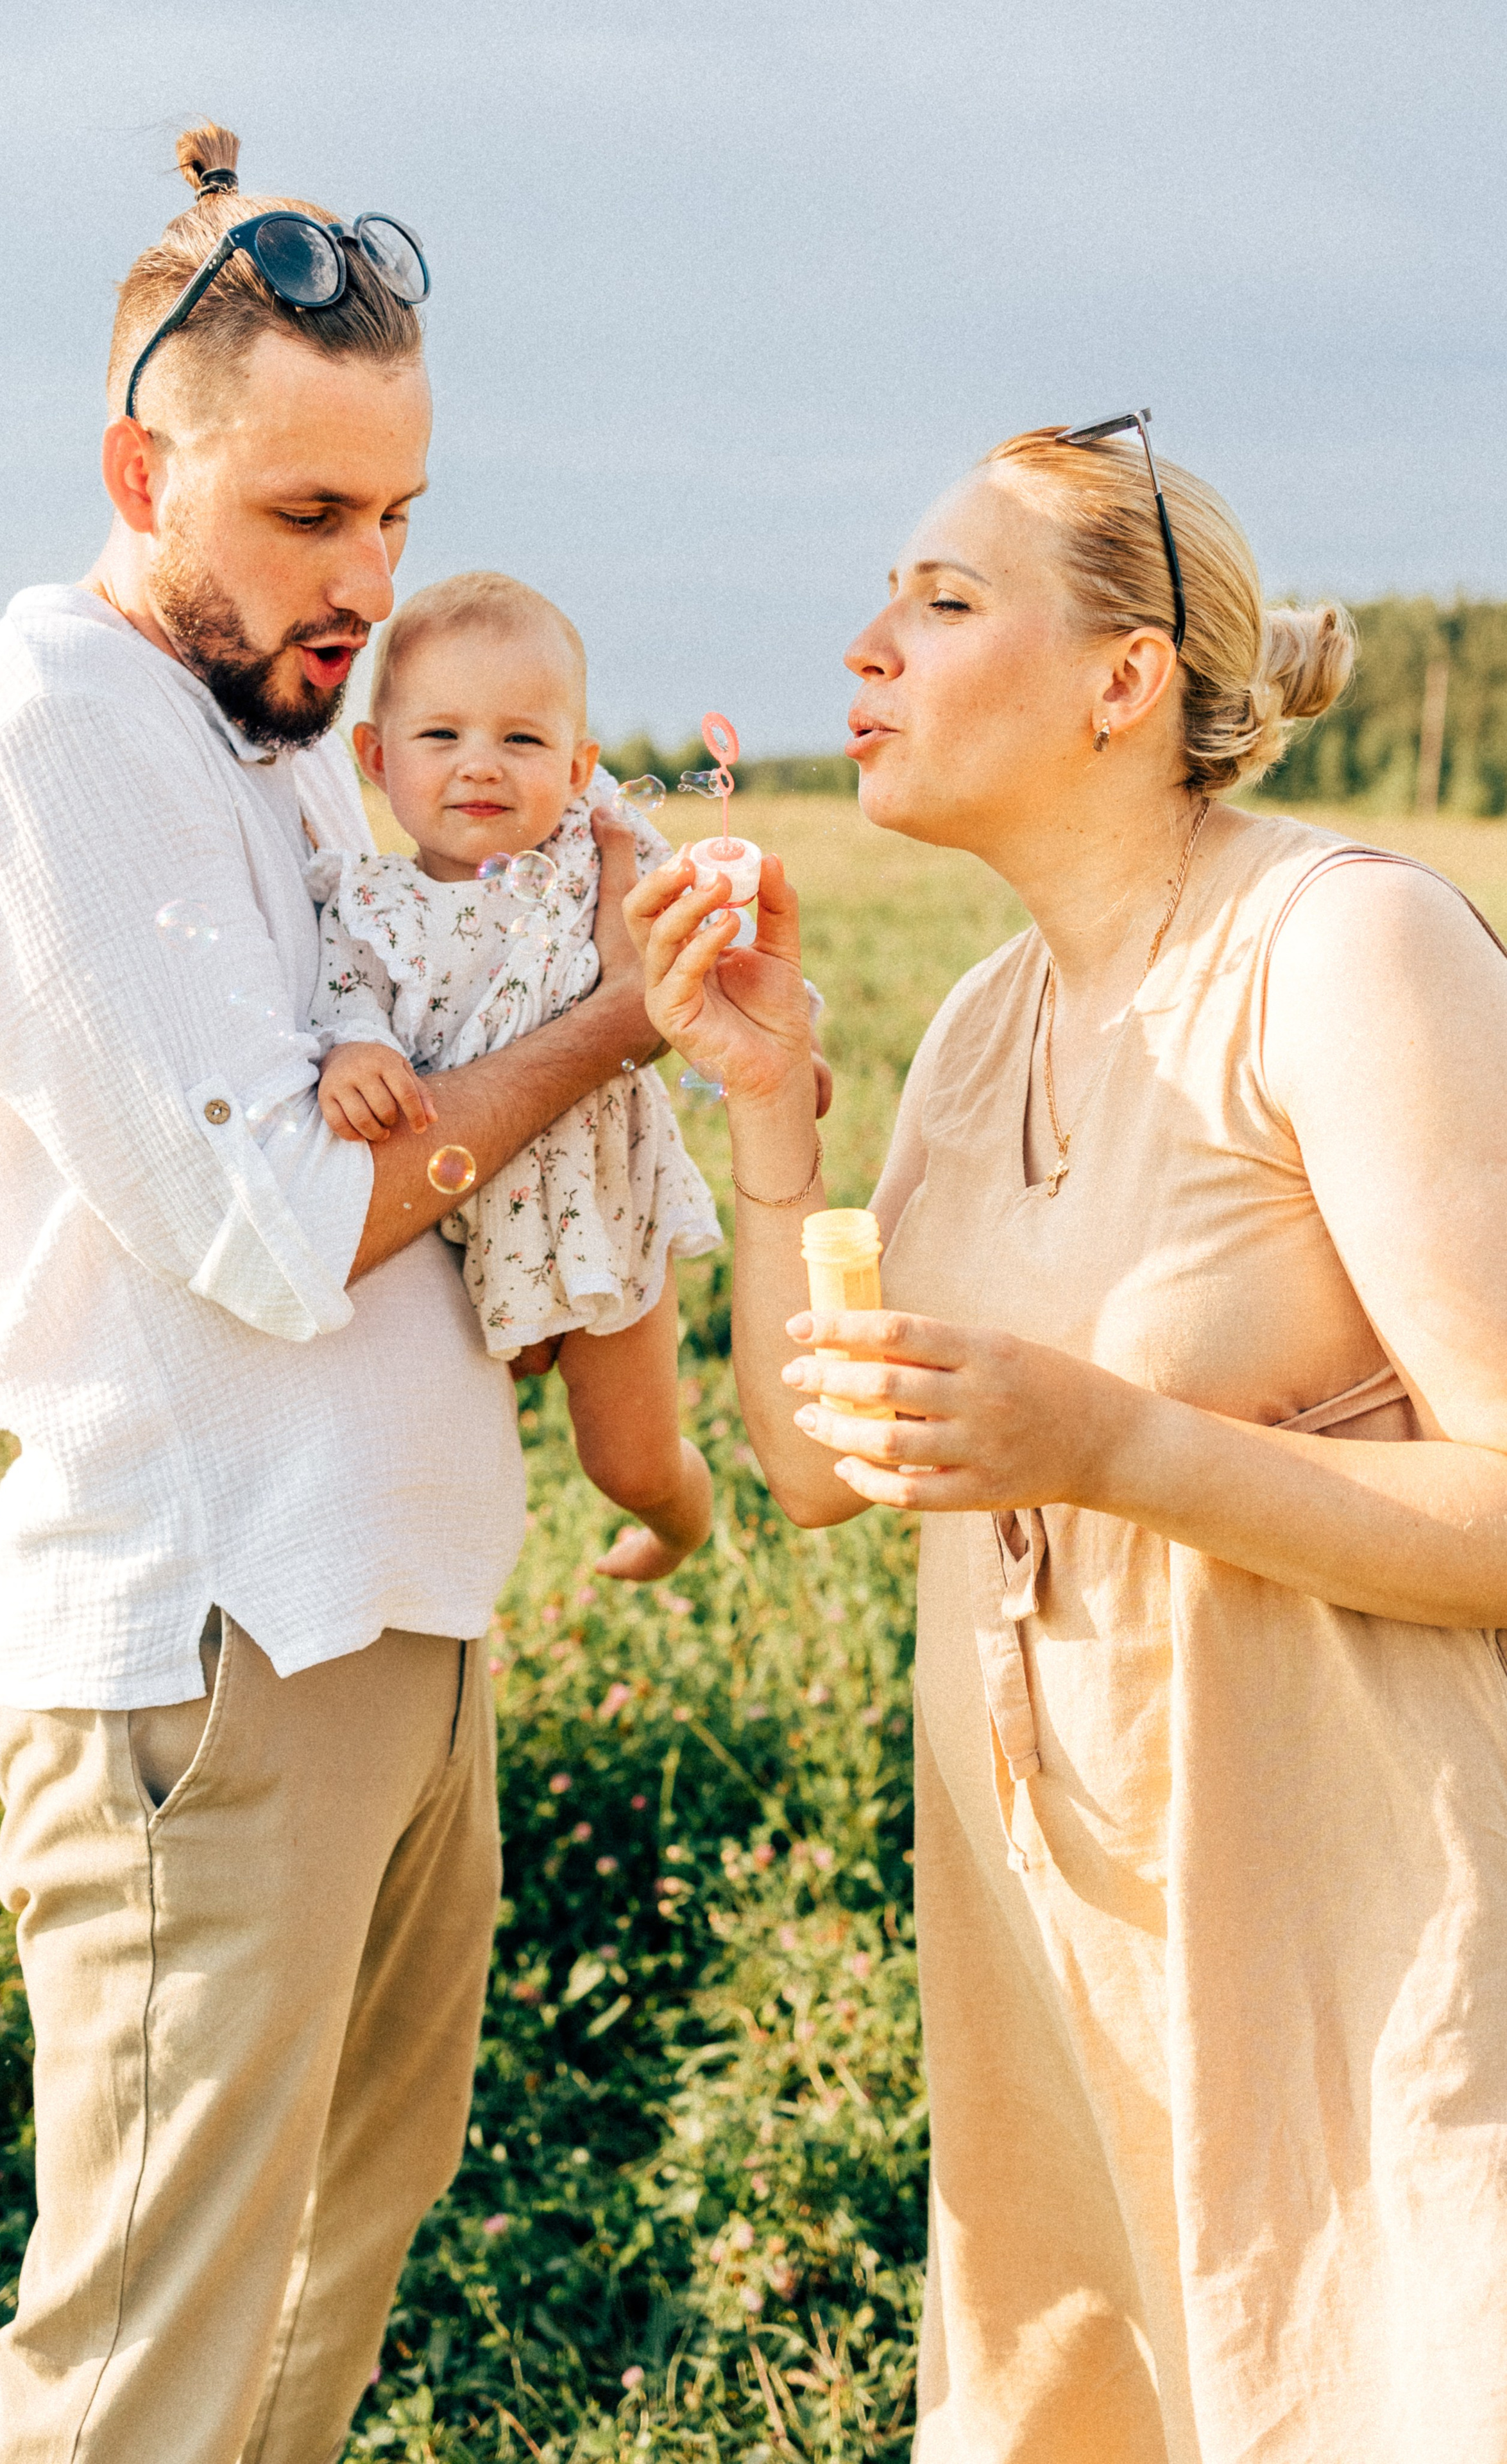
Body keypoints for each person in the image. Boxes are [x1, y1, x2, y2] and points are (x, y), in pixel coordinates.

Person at [0, 123, 661, 2464]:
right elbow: (286, 1227)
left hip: (394, 1626)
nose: (372, 581)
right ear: (142, 463)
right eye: (308, 518)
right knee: (141, 2369)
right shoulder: (57, 729)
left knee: (325, 2281)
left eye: (401, 512)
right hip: (211, 1666)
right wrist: (608, 1021)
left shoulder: (303, 746)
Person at [629, 418, 1507, 2461]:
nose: (868, 647)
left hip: (1349, 1942)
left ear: (1127, 685)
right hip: (1054, 1963)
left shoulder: (1345, 947)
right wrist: (771, 1122)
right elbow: (819, 1464)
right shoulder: (978, 1024)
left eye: (944, 603)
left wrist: (1113, 1445)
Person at [309, 570, 720, 1580]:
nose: (480, 766)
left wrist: (780, 1036)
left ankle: (679, 1519)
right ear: (375, 757)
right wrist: (357, 1049)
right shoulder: (366, 903)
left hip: (604, 1199)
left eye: (524, 740)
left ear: (581, 765)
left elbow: (700, 952)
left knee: (623, 1455)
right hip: (456, 1213)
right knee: (456, 1419)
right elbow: (342, 994)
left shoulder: (599, 850)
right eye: (440, 736)